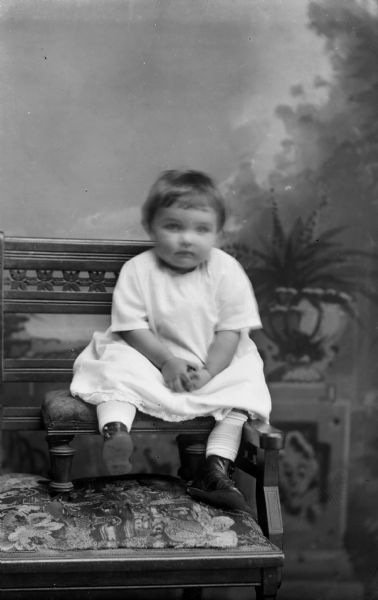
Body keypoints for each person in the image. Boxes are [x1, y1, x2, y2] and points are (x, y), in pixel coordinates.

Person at [70, 169, 271, 511]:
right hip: (150, 354)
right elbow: (131, 327)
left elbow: (229, 333)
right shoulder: (139, 269)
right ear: (151, 226)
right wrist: (166, 361)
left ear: (218, 233)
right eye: (173, 227)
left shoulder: (227, 270)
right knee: (116, 367)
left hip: (212, 360)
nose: (186, 239)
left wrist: (209, 372)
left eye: (201, 229)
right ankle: (116, 430)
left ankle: (216, 468)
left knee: (246, 384)